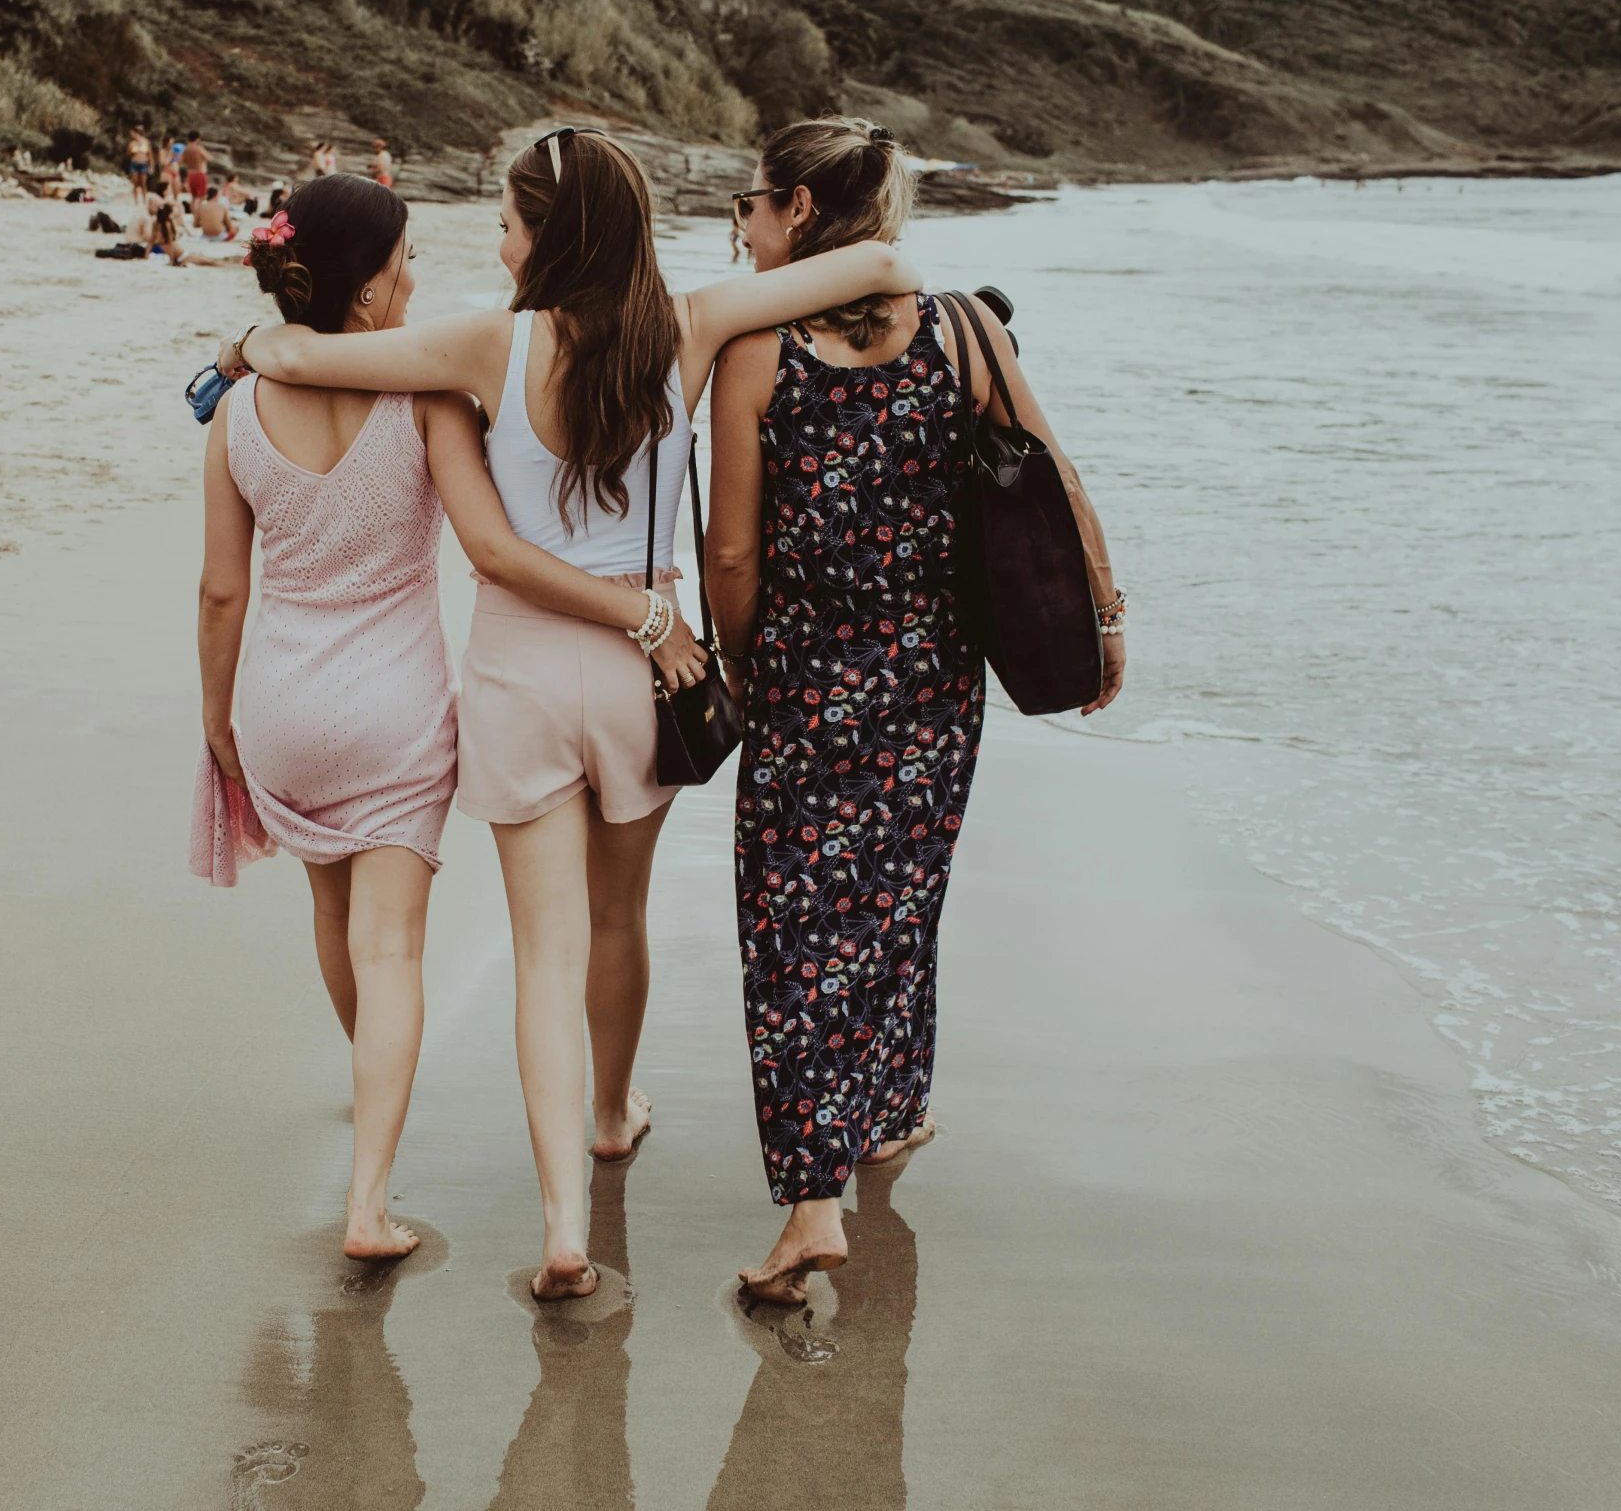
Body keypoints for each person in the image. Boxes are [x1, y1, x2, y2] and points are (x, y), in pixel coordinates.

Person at [216, 128, 924, 1300]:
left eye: (507, 222)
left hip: (522, 672)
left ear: (551, 236)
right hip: (651, 671)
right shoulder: (688, 327)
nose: (496, 244)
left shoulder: (489, 344)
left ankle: (560, 1230)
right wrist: (866, 274)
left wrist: (245, 340)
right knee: (616, 921)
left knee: (544, 953)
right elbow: (885, 269)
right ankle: (611, 1112)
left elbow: (313, 360)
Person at [193, 174, 709, 1264]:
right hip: (401, 708)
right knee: (408, 950)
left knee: (337, 927)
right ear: (367, 284)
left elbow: (221, 592)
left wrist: (218, 719)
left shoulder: (233, 415)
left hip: (282, 701)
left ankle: (372, 1090)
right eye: (402, 263)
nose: (417, 277)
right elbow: (491, 539)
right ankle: (381, 1198)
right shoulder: (432, 396)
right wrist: (643, 605)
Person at [704, 117, 1125, 1305]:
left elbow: (732, 552)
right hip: (934, 682)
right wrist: (1108, 612)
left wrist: (741, 674)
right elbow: (1052, 473)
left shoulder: (756, 352)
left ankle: (808, 1205)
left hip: (805, 681)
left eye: (752, 204)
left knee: (792, 934)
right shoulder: (960, 330)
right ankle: (886, 1113)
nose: (743, 225)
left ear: (795, 212)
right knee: (896, 899)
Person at [125, 125, 152, 211]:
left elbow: (150, 155)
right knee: (135, 183)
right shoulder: (131, 144)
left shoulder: (146, 142)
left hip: (143, 163)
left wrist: (151, 166)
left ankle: (144, 200)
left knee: (143, 183)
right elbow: (129, 154)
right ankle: (136, 201)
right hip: (135, 164)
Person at [183, 134, 212, 200]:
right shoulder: (199, 148)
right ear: (197, 139)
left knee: (193, 197)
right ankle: (198, 210)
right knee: (201, 197)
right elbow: (209, 158)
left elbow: (182, 161)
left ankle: (194, 210)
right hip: (200, 173)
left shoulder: (186, 149)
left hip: (190, 174)